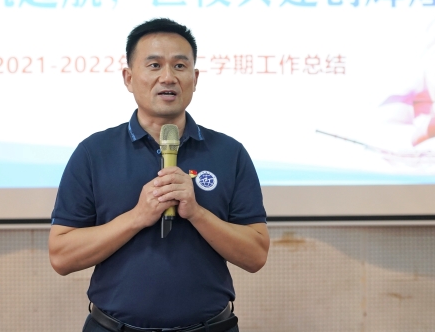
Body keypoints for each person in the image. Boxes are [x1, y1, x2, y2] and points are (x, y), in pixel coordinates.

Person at [49, 18, 270, 332]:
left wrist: (197, 213)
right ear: (128, 78)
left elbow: (256, 255)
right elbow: (61, 257)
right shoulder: (94, 152)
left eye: (180, 66)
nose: (168, 77)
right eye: (154, 65)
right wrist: (138, 217)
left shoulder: (229, 152)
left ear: (195, 78)